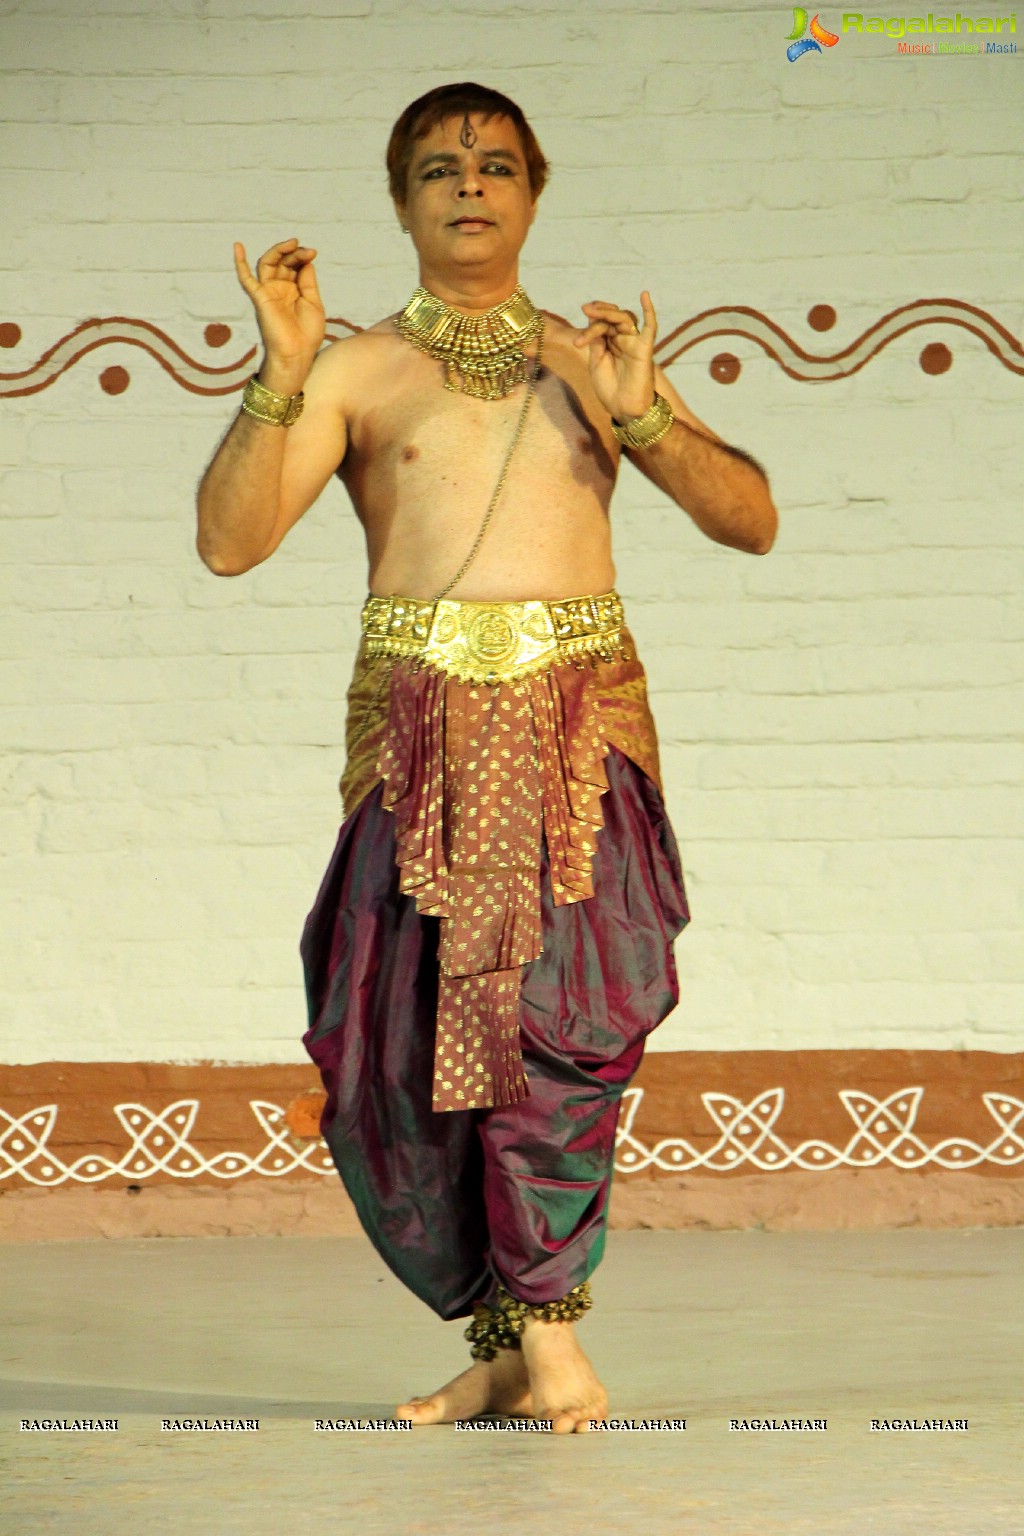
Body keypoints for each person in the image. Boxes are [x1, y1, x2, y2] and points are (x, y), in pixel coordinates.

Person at [196, 81, 777, 1434]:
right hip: (418, 739)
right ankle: (506, 1339)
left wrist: (644, 416)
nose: (471, 185)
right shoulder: (351, 370)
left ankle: (558, 1329)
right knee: (403, 1048)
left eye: (498, 164)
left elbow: (748, 520)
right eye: (441, 167)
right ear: (400, 200)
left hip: (577, 733)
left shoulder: (594, 360)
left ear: (534, 190)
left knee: (554, 1032)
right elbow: (231, 542)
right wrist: (279, 370)